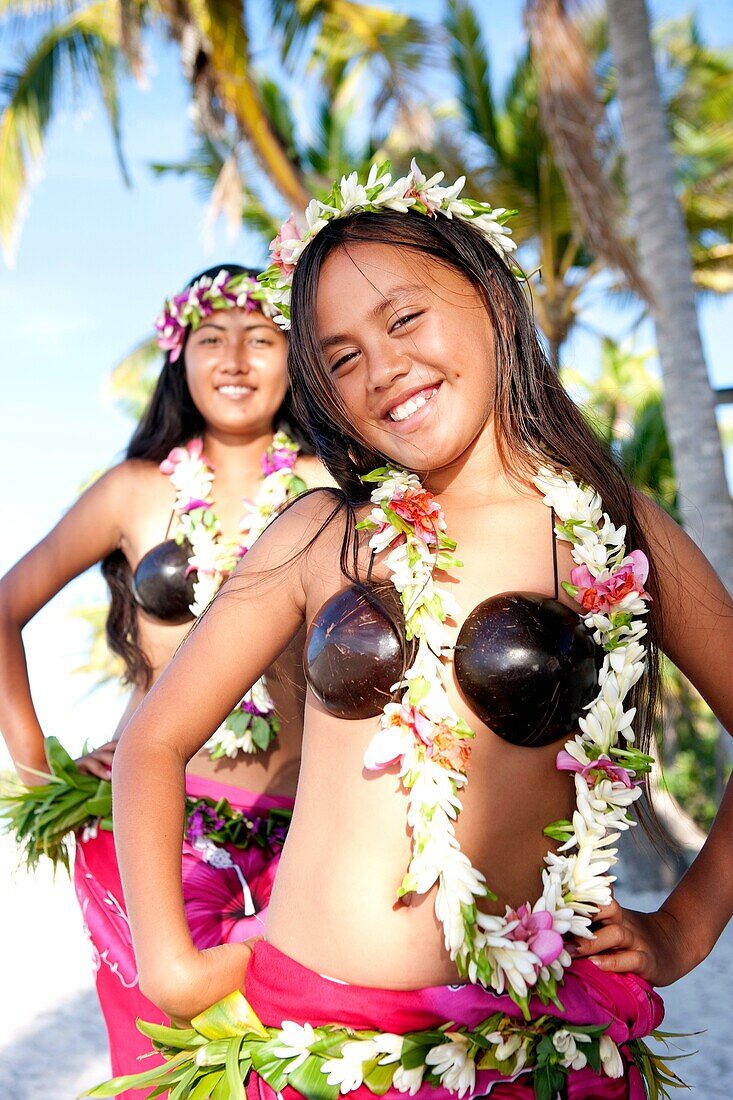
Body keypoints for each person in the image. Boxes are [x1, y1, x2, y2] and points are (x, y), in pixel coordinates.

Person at [101, 165, 732, 1099]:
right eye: (341, 358)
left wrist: (685, 925)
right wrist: (170, 964)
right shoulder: (321, 534)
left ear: (495, 306)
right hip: (307, 1041)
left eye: (402, 320)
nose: (382, 367)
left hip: (531, 1048)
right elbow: (155, 738)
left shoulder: (612, 529)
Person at [0, 265, 330, 1093]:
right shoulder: (135, 493)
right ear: (178, 356)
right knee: (159, 1074)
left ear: (297, 360)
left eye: (262, 338)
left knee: (297, 1073)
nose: (235, 358)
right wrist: (39, 773)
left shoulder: (332, 493)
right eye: (211, 338)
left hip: (308, 835)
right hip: (153, 838)